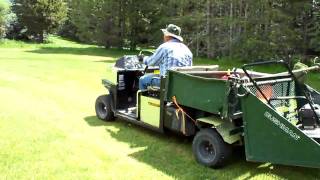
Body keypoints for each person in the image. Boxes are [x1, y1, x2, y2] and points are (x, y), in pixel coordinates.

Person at [139, 24, 193, 90]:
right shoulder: (187, 49)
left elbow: (151, 62)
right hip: (183, 83)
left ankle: (142, 99)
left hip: (167, 83)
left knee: (142, 80)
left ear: (167, 36)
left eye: (164, 34)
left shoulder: (164, 47)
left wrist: (142, 59)